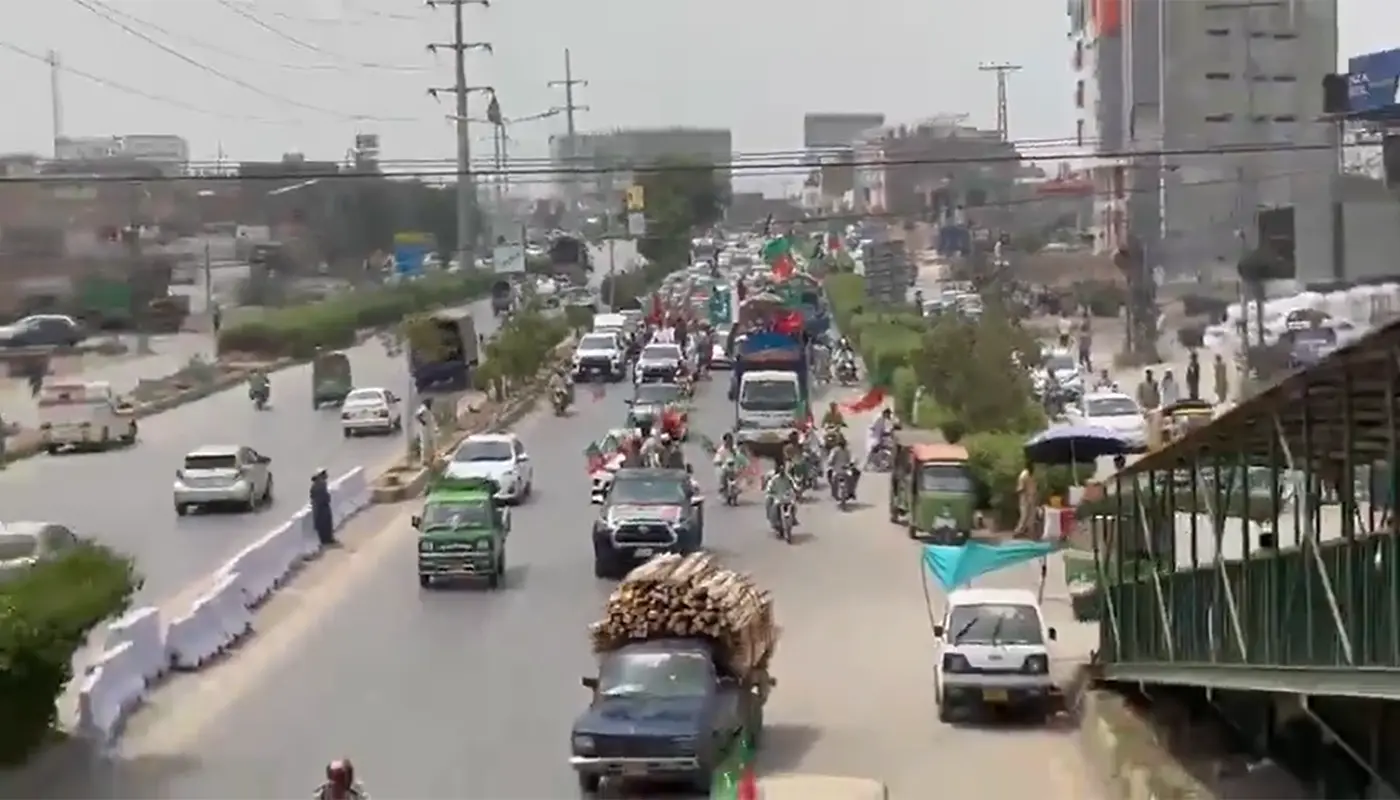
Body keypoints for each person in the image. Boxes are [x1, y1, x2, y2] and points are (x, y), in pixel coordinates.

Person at [310, 469, 335, 546]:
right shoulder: (319, 485)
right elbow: (320, 497)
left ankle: (327, 539)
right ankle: (327, 540)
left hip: (322, 506)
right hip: (321, 507)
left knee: (325, 523)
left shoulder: (320, 484)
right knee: (325, 523)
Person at [1014, 462, 1038, 539]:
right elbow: (1020, 488)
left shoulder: (1032, 475)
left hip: (1031, 497)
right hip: (1025, 498)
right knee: (1024, 515)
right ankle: (1018, 531)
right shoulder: (1023, 475)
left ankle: (1029, 532)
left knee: (1032, 515)